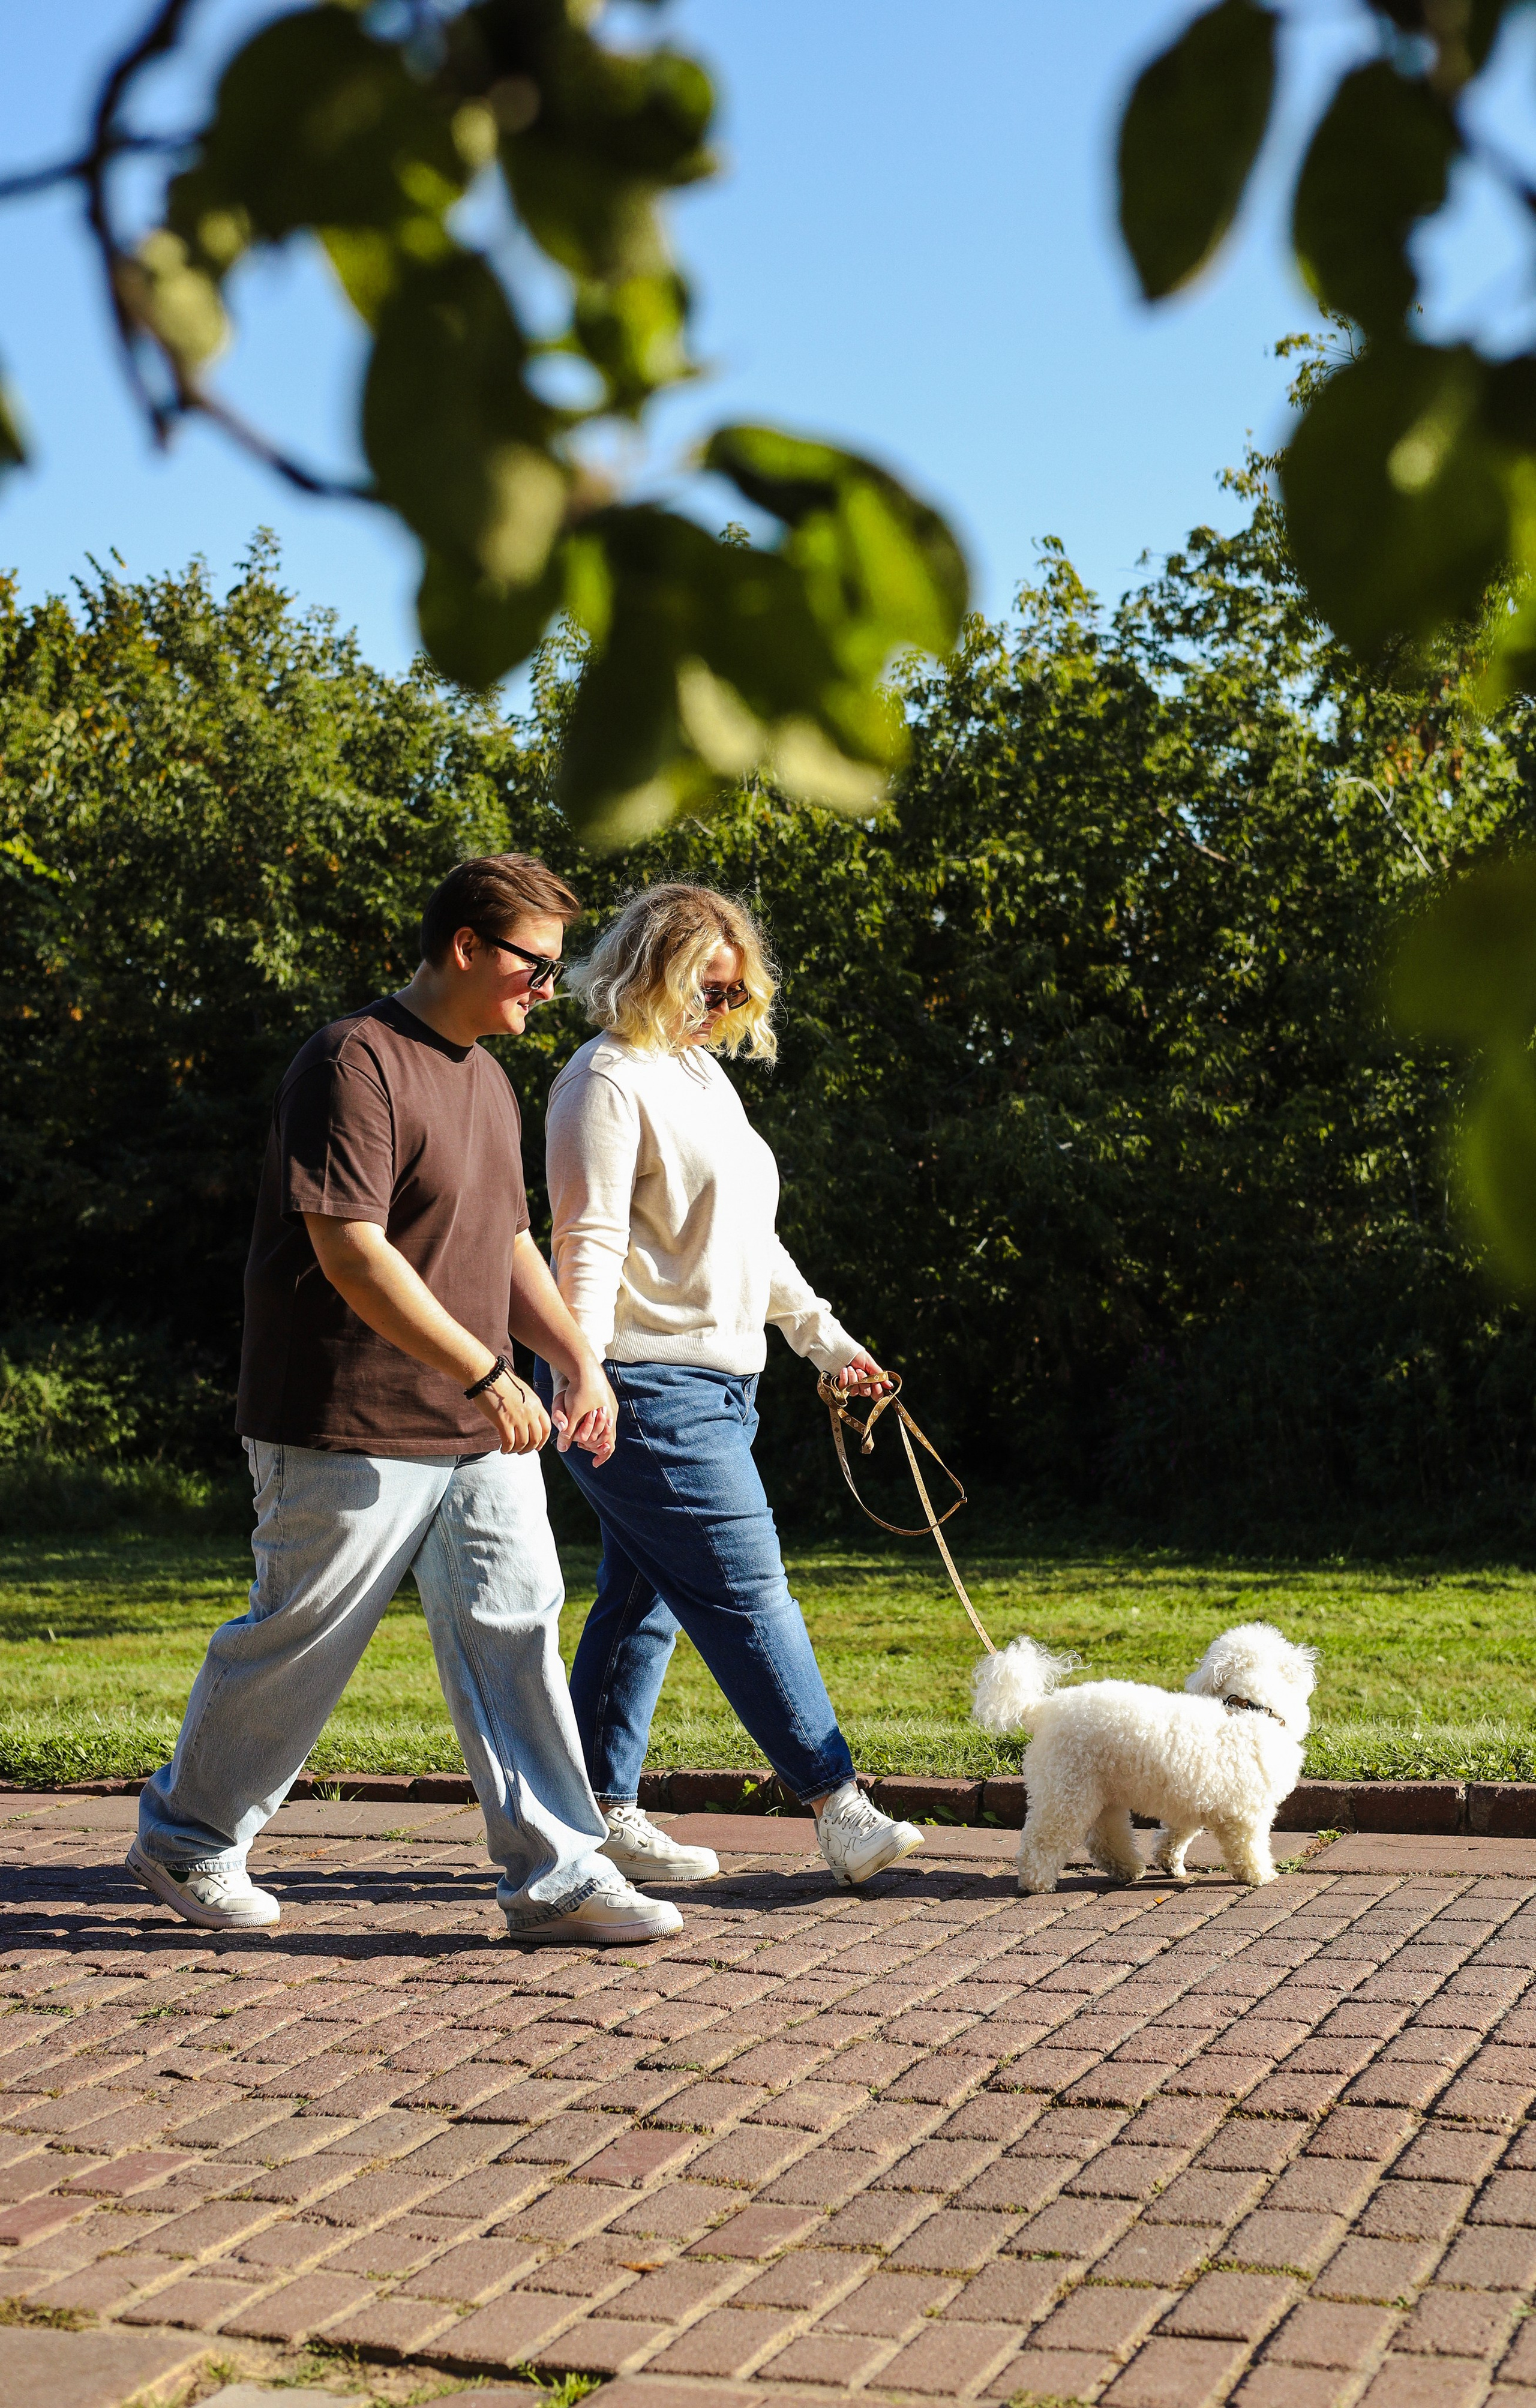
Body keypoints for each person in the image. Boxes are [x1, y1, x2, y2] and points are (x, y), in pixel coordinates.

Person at [129, 854, 683, 1948]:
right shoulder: (353, 1060)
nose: (546, 985)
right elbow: (351, 1251)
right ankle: (188, 1835)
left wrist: (576, 1357)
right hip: (347, 1416)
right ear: (468, 947)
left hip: (480, 1426)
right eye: (534, 962)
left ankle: (558, 1872)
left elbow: (508, 1238)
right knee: (302, 1634)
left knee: (515, 1625)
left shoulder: (486, 1076)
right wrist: (485, 1368)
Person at [536, 881, 923, 1890]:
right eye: (704, 987)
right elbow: (587, 1242)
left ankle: (591, 1816)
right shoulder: (605, 1082)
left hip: (722, 1384)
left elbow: (752, 1242)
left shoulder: (705, 1080)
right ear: (650, 971)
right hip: (635, 1376)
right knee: (747, 1584)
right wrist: (582, 1367)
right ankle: (838, 1804)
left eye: (734, 991)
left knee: (644, 1600)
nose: (719, 1008)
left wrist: (829, 1345)